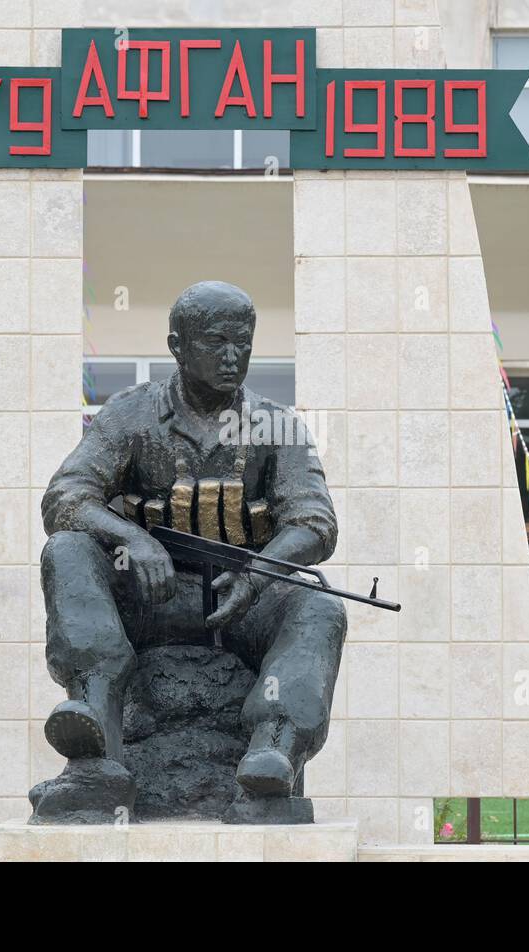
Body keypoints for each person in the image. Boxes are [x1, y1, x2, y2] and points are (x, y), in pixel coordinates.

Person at [40, 281, 345, 803]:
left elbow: (315, 523)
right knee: (66, 549)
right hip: (146, 599)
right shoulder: (127, 416)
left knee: (321, 608)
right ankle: (94, 724)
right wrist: (131, 539)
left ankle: (274, 750)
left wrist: (258, 573)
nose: (233, 357)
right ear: (177, 345)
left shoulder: (278, 427)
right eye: (215, 342)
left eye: (243, 342)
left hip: (238, 598)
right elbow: (65, 497)